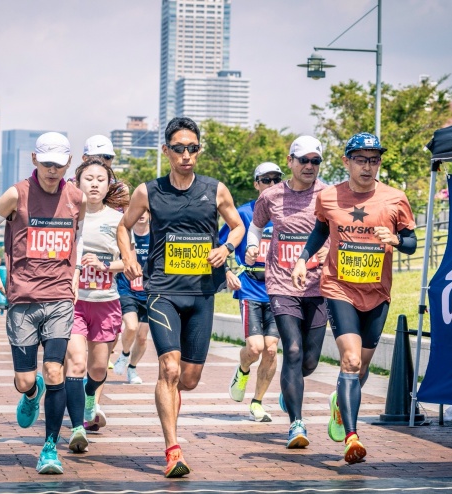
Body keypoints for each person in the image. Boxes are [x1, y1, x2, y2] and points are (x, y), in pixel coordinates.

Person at [117, 117, 245, 478]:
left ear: (199, 150)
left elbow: (237, 226)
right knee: (169, 369)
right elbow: (123, 226)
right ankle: (173, 450)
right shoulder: (148, 191)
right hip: (162, 291)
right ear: (166, 151)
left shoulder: (215, 190)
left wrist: (226, 248)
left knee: (188, 379)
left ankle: (173, 397)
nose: (186, 155)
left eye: (192, 148)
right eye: (178, 149)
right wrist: (128, 257)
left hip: (202, 293)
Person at [292, 132, 417, 464]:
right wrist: (303, 259)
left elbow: (411, 242)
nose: (367, 166)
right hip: (339, 288)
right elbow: (321, 230)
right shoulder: (329, 197)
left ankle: (339, 402)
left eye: (374, 160)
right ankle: (352, 438)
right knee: (350, 360)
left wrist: (395, 239)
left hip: (377, 293)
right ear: (346, 161)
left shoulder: (395, 199)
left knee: (360, 368)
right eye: (360, 159)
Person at [0, 132, 86, 474]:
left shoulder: (76, 197)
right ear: (34, 159)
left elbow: (80, 233)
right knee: (26, 379)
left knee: (55, 370)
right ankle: (30, 393)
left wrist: (75, 272)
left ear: (69, 163)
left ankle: (50, 447)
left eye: (59, 164)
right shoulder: (17, 194)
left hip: (59, 298)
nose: (53, 170)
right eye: (47, 163)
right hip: (23, 298)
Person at [245, 136, 329, 450]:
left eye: (315, 161)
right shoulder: (271, 196)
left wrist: (329, 251)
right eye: (303, 160)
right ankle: (296, 423)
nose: (309, 166)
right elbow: (256, 226)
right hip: (282, 285)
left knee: (309, 361)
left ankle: (288, 390)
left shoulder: (328, 195)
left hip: (319, 286)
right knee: (292, 350)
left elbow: (338, 230)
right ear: (290, 161)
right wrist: (252, 245)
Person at [65, 158, 128, 437]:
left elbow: (129, 261)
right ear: (78, 183)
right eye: (88, 179)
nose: (94, 184)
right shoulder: (68, 215)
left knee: (99, 368)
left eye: (101, 179)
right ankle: (77, 426)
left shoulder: (118, 220)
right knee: (77, 363)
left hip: (106, 303)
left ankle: (90, 396)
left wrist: (105, 266)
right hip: (74, 303)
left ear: (108, 185)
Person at [224, 162, 283, 423]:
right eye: (266, 180)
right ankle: (243, 368)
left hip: (280, 289)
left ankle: (257, 402)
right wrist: (227, 271)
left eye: (276, 179)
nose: (271, 184)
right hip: (250, 287)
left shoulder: (287, 213)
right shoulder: (243, 213)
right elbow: (220, 244)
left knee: (271, 349)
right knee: (255, 347)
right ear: (256, 183)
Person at [113, 211, 151, 385]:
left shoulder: (155, 234)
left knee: (142, 337)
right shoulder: (125, 233)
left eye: (145, 211)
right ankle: (125, 354)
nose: (141, 215)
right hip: (126, 289)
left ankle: (132, 368)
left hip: (148, 291)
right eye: (138, 211)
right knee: (131, 326)